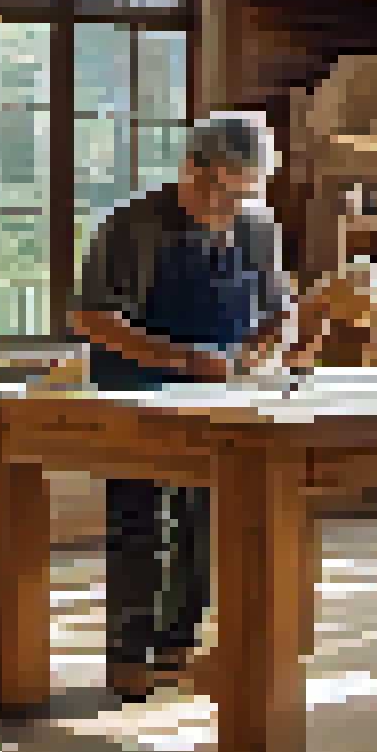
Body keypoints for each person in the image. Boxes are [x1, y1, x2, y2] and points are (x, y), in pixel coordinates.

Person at [68, 113, 298, 702]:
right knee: (139, 524)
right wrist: (190, 360)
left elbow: (277, 308)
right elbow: (91, 319)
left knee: (206, 522)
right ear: (190, 171)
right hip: (137, 392)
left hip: (219, 395)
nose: (237, 206)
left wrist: (273, 343)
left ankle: (177, 645)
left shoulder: (257, 225)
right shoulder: (132, 227)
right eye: (227, 192)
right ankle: (129, 652)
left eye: (250, 192)